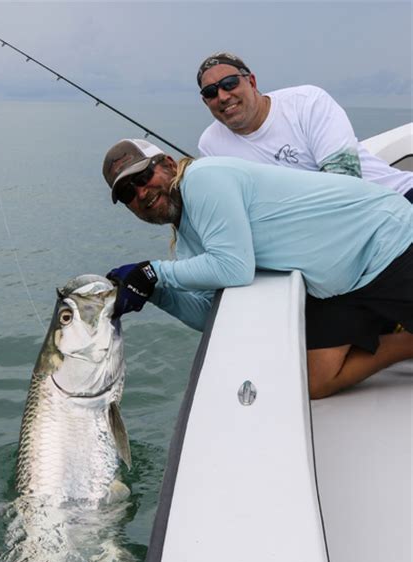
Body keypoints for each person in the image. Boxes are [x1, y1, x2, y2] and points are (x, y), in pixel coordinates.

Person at [102, 138, 413, 400]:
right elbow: (209, 314)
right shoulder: (187, 246)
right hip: (340, 286)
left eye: (143, 178)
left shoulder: (204, 177)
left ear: (168, 163)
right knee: (317, 381)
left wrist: (153, 272)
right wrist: (157, 293)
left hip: (385, 243)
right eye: (129, 193)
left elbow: (234, 267)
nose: (141, 193)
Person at [196, 52, 413, 202]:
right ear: (206, 102)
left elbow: (346, 184)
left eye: (230, 83)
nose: (223, 96)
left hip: (396, 198)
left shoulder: (307, 101)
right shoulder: (211, 146)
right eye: (210, 92)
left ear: (252, 82)